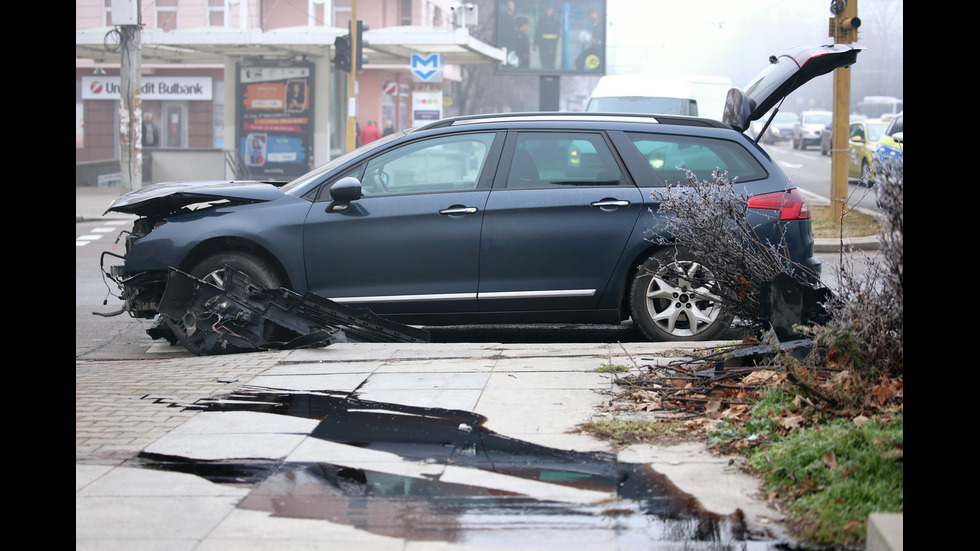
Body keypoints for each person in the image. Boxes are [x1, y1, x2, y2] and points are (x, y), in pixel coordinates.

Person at [535, 4, 561, 70]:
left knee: (551, 61)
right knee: (543, 60)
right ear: (545, 10)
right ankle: (544, 70)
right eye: (547, 10)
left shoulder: (555, 20)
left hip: (551, 44)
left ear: (552, 10)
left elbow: (557, 33)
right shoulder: (541, 19)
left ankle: (551, 71)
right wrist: (535, 43)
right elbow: (538, 31)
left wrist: (554, 43)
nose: (548, 11)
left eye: (549, 9)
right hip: (542, 44)